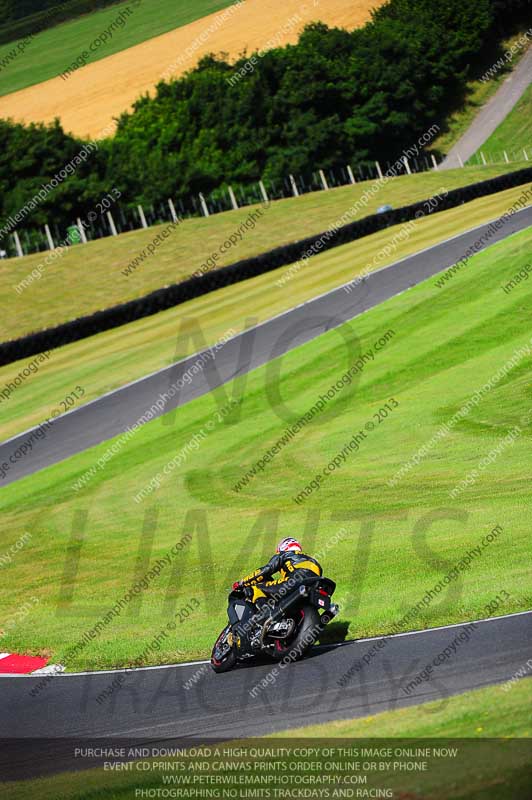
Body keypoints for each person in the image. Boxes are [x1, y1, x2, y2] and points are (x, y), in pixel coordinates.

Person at [233, 537, 323, 615]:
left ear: (283, 547)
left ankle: (265, 613)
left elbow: (266, 570)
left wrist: (242, 582)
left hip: (294, 581)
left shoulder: (284, 554)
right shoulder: (312, 560)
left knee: (257, 587)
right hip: (316, 585)